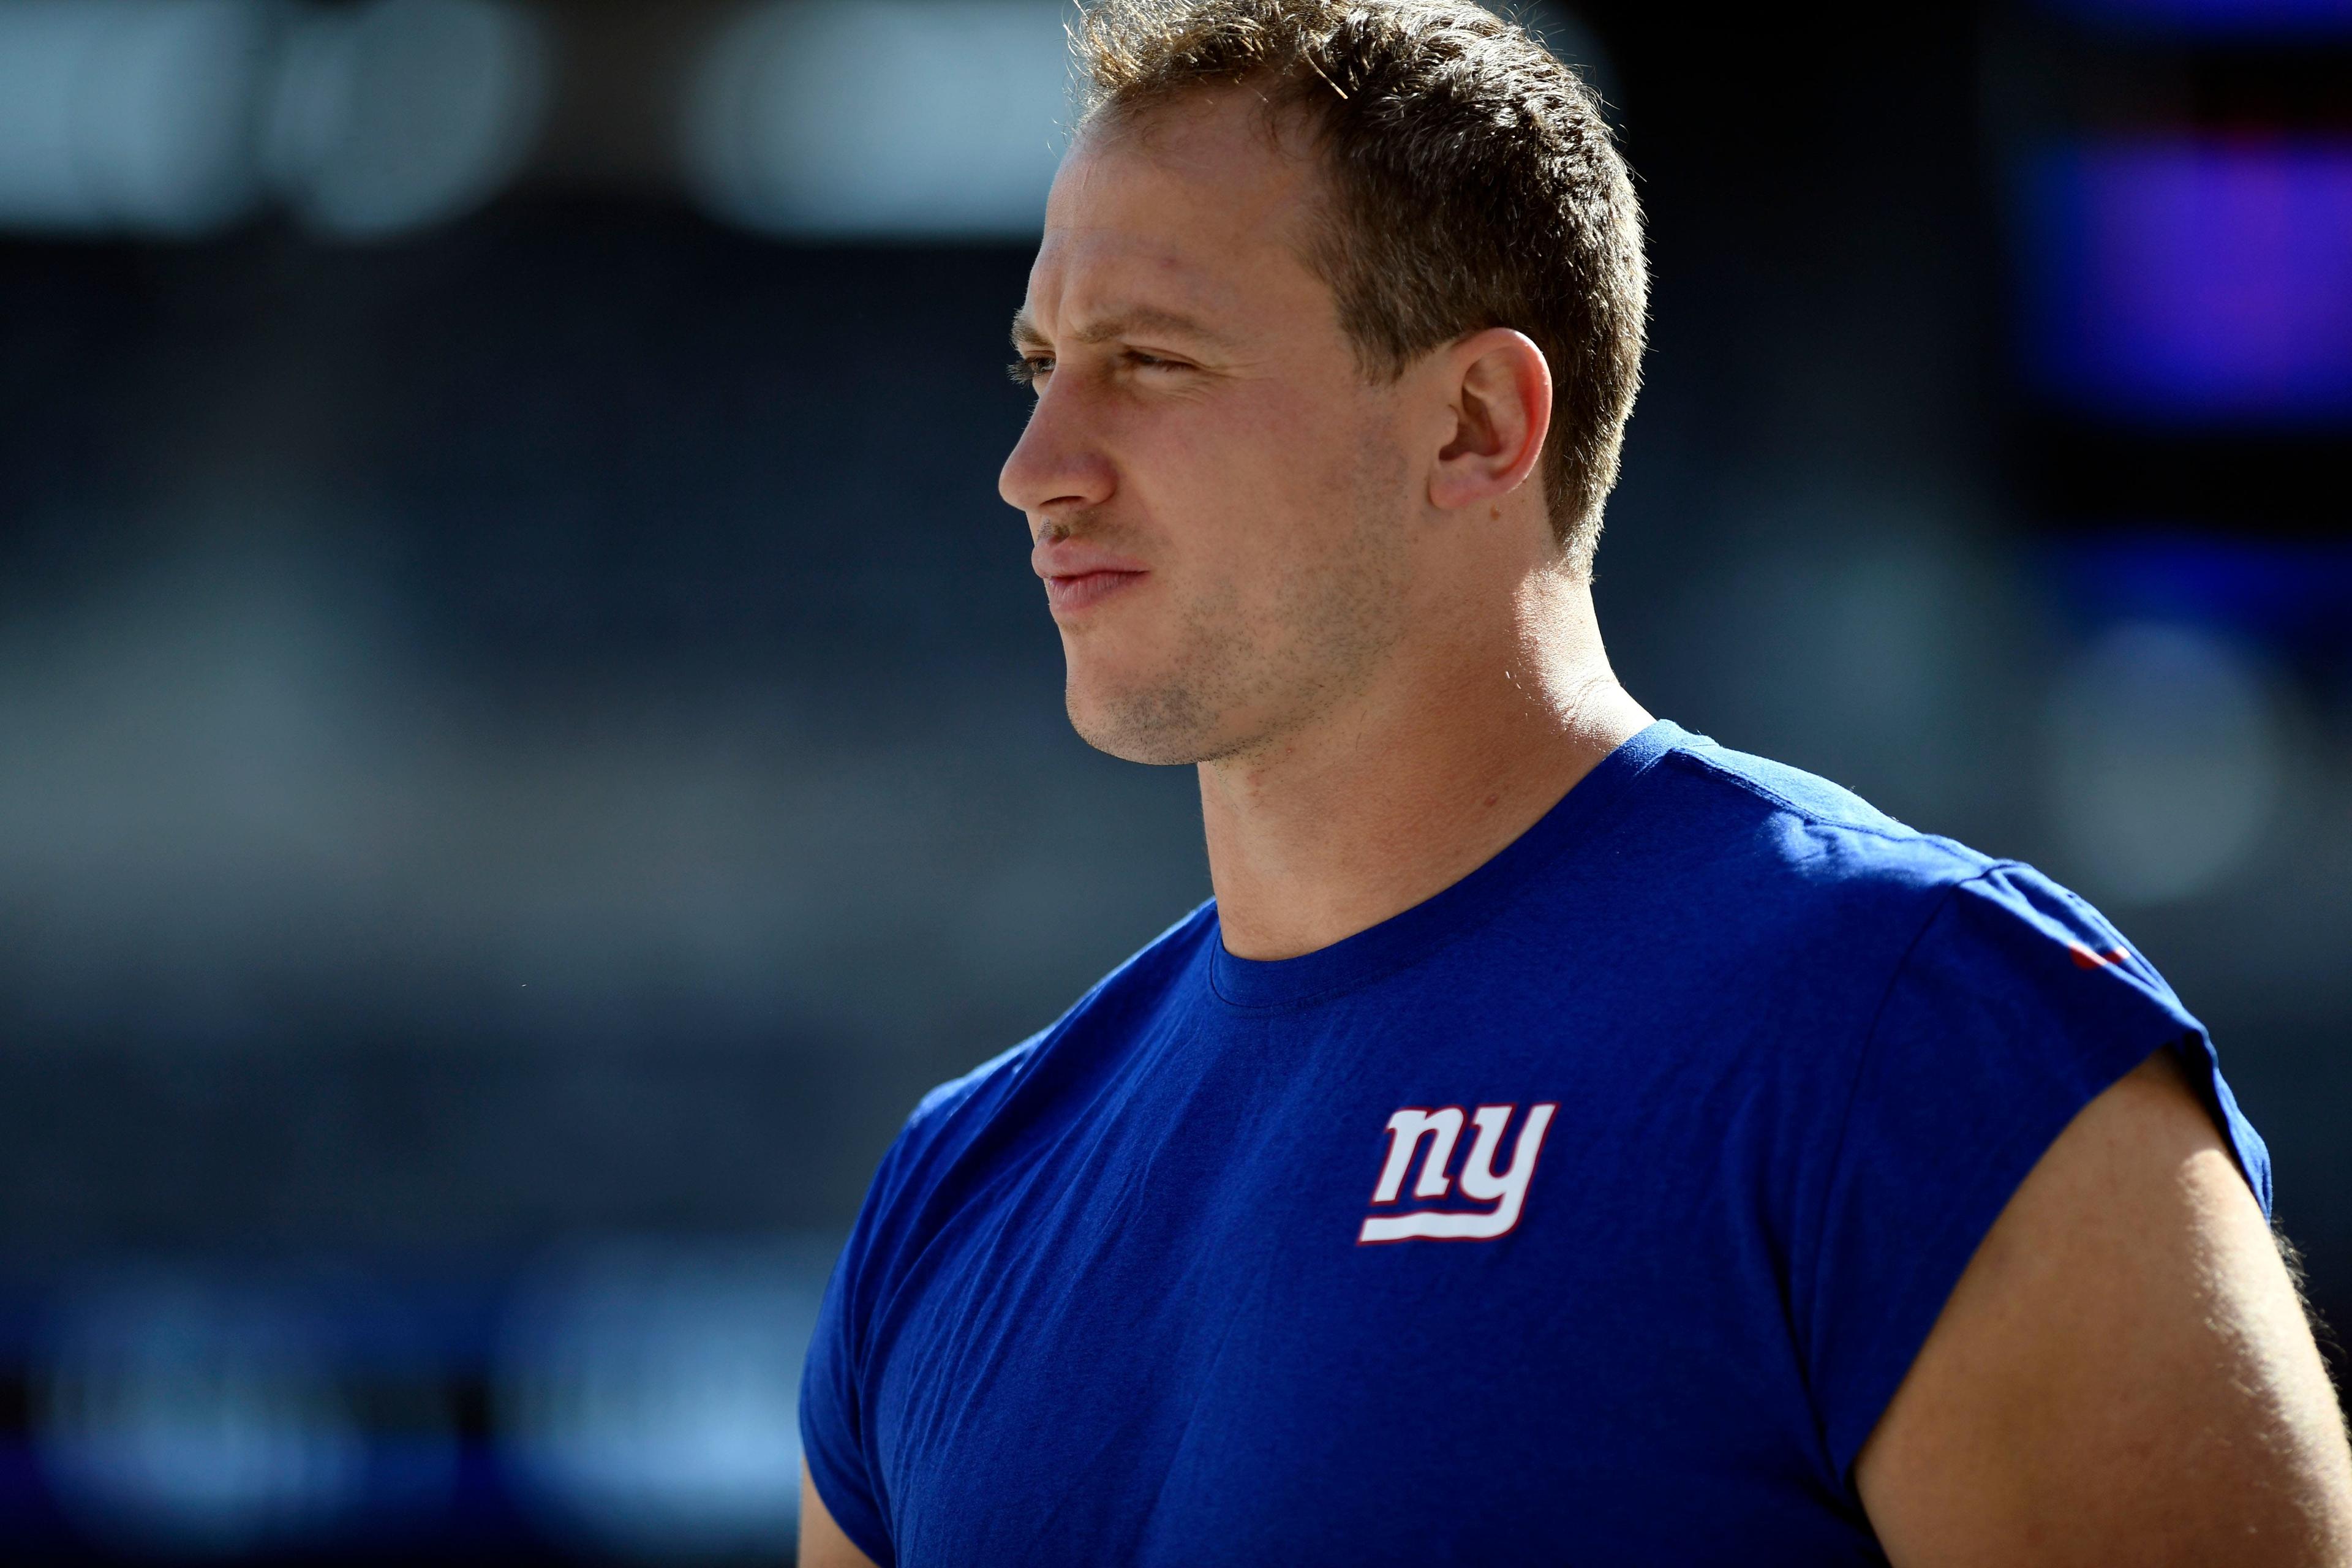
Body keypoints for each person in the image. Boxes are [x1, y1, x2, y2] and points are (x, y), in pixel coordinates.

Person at [797, 2, 2352, 1562]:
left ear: (1476, 423)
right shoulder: (954, 1192)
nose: (1038, 464)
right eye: (1041, 365)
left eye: (1150, 360)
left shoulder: (1927, 1040)